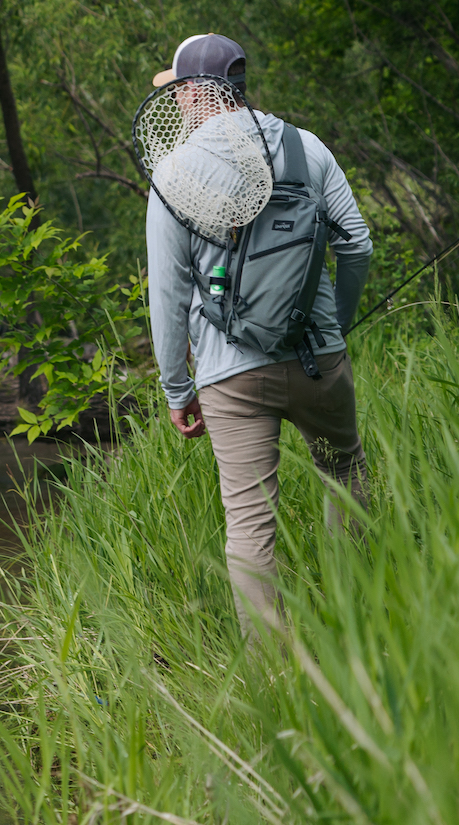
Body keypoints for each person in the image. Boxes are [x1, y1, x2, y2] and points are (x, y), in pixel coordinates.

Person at [143, 33, 373, 638]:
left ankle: (273, 680)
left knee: (249, 523)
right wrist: (332, 328)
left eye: (178, 92)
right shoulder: (307, 147)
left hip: (229, 376)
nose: (177, 104)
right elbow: (356, 242)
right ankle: (353, 620)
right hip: (319, 358)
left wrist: (175, 389)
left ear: (195, 93)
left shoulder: (173, 172)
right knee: (344, 473)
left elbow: (166, 293)